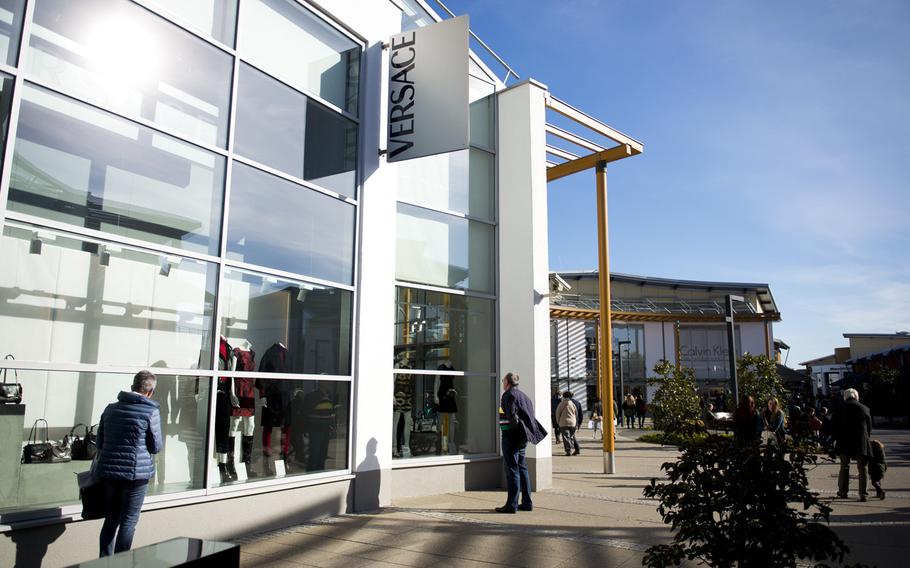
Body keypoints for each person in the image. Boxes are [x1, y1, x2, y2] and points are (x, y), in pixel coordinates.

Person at [94, 370, 163, 556]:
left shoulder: (110, 409)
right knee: (128, 521)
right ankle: (121, 562)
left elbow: (99, 443)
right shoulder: (150, 411)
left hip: (109, 473)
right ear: (150, 392)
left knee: (111, 519)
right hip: (136, 474)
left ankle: (104, 562)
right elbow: (156, 446)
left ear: (132, 386)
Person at [497, 372, 547, 513]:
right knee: (522, 468)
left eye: (503, 381)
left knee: (512, 469)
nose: (502, 383)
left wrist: (509, 431)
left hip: (512, 437)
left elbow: (512, 416)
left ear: (507, 382)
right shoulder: (525, 396)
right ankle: (526, 503)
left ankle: (511, 505)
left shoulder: (508, 395)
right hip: (523, 437)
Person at [833, 388, 873, 501]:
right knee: (862, 469)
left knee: (844, 467)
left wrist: (837, 438)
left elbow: (834, 426)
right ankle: (863, 494)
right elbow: (869, 427)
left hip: (844, 442)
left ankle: (842, 491)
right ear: (856, 396)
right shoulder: (864, 408)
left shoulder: (839, 408)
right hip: (861, 442)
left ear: (845, 397)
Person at [556, 391, 579, 456]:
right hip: (572, 423)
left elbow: (557, 414)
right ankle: (571, 447)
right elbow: (576, 414)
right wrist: (575, 422)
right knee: (571, 436)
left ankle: (568, 450)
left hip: (563, 423)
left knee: (566, 437)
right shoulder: (573, 404)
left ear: (563, 396)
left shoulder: (561, 404)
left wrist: (558, 422)